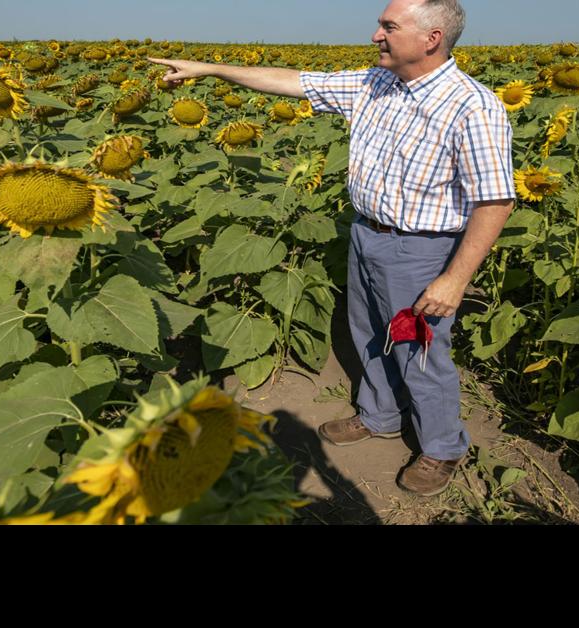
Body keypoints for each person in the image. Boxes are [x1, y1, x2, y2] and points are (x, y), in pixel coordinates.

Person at [149, 0, 516, 497]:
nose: (375, 36)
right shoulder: (374, 84)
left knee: (420, 352)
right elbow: (290, 81)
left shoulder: (472, 105)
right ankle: (381, 415)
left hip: (423, 249)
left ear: (431, 38)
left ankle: (442, 447)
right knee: (367, 332)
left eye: (389, 26)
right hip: (366, 233)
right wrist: (210, 69)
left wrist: (455, 279)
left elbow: (494, 201)